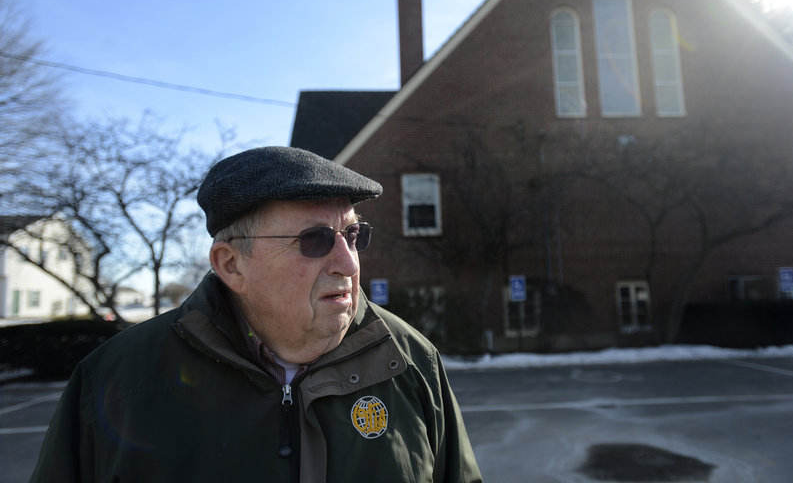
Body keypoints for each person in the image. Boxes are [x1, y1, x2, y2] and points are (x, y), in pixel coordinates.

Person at [30, 146, 482, 483]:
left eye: (352, 234)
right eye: (315, 240)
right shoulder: (115, 381)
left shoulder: (410, 360)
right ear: (231, 265)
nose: (347, 262)